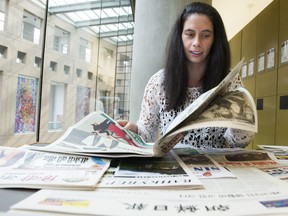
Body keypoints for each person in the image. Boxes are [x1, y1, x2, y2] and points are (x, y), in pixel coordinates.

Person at [118, 2, 254, 148]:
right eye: (190, 34)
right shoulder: (159, 82)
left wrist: (242, 127)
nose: (197, 42)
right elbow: (147, 132)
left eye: (205, 35)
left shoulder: (230, 81)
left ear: (215, 39)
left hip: (215, 166)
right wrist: (134, 130)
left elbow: (236, 143)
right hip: (172, 165)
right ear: (180, 36)